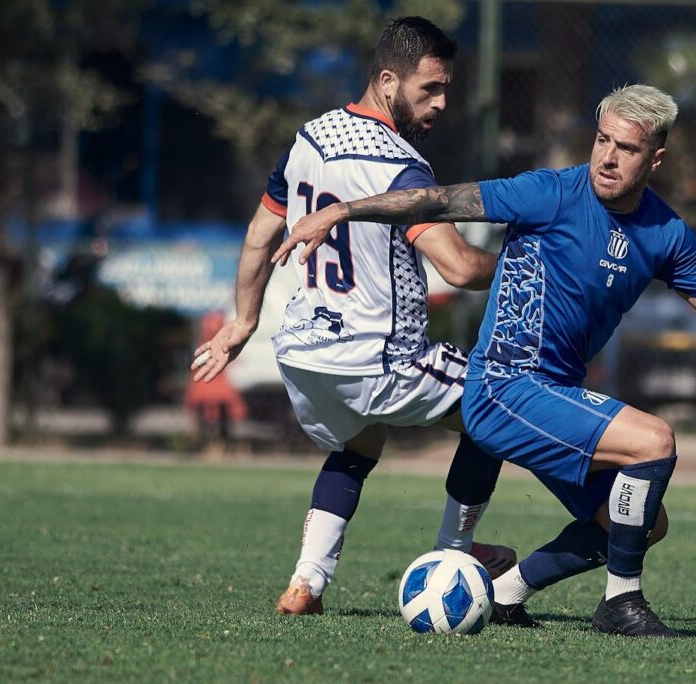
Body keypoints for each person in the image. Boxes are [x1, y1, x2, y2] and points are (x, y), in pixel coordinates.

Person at [275, 83, 696, 636]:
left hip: (554, 397)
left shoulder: (666, 232)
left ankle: (505, 593)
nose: (608, 157)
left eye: (626, 149)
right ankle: (621, 602)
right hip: (503, 387)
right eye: (602, 140)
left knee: (641, 523)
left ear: (656, 158)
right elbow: (443, 199)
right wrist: (344, 210)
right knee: (655, 440)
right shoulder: (548, 192)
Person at [191, 16, 515, 617]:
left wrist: (243, 321)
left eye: (447, 89)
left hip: (305, 353)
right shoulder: (400, 165)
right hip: (379, 354)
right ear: (389, 80)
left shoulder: (309, 138)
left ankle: (305, 584)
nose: (442, 103)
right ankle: (454, 556)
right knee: (495, 410)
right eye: (429, 90)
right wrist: (531, 264)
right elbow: (461, 269)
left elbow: (260, 235)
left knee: (359, 443)